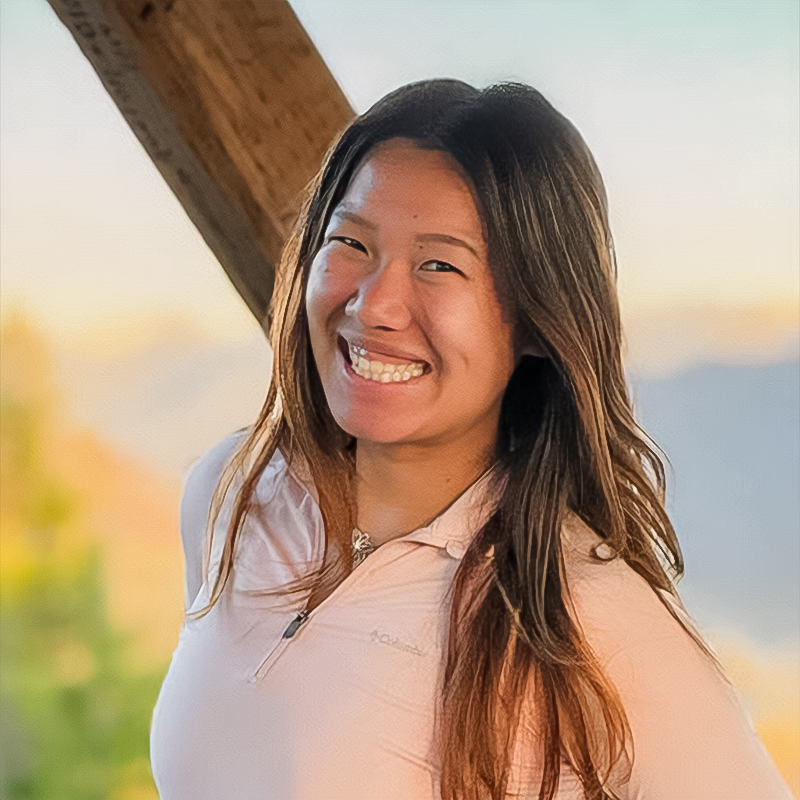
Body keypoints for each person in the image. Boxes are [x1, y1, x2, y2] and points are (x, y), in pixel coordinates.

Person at [149, 80, 792, 800]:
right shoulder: (232, 494)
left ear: (538, 318)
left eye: (439, 264)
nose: (375, 305)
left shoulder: (586, 617)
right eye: (351, 244)